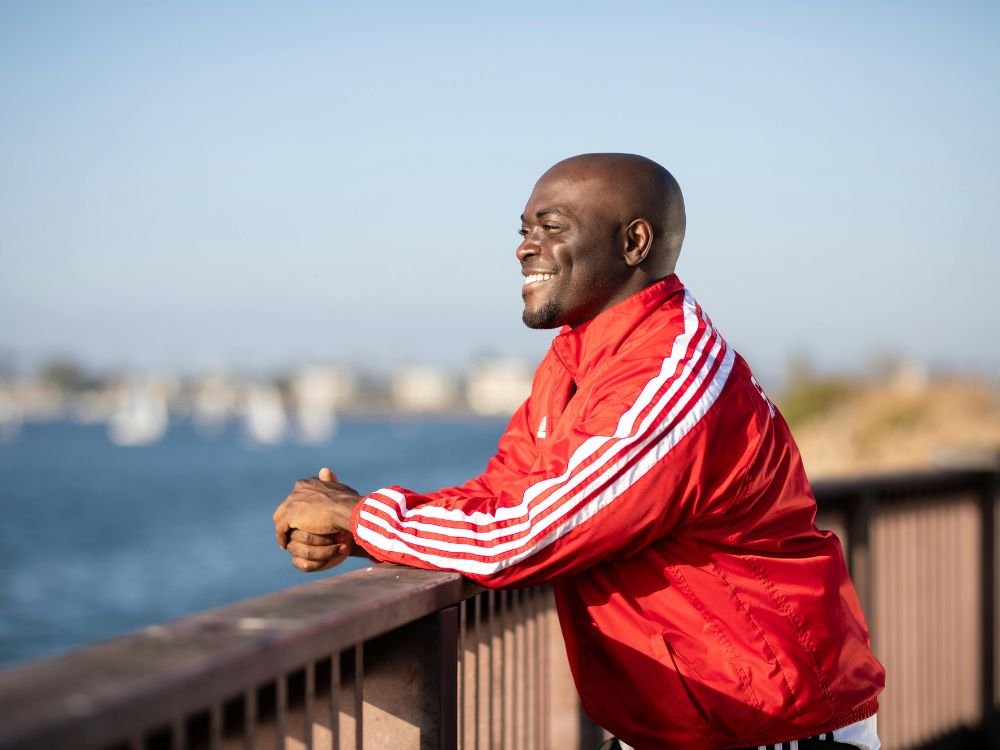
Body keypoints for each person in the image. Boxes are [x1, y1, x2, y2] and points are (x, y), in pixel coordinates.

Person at [272, 154, 886, 750]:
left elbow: (527, 533)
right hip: (692, 728)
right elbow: (504, 494)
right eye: (523, 229)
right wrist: (364, 534)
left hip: (769, 730)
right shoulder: (577, 359)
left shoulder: (671, 376)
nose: (523, 247)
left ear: (635, 242)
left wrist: (359, 515)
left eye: (551, 227)